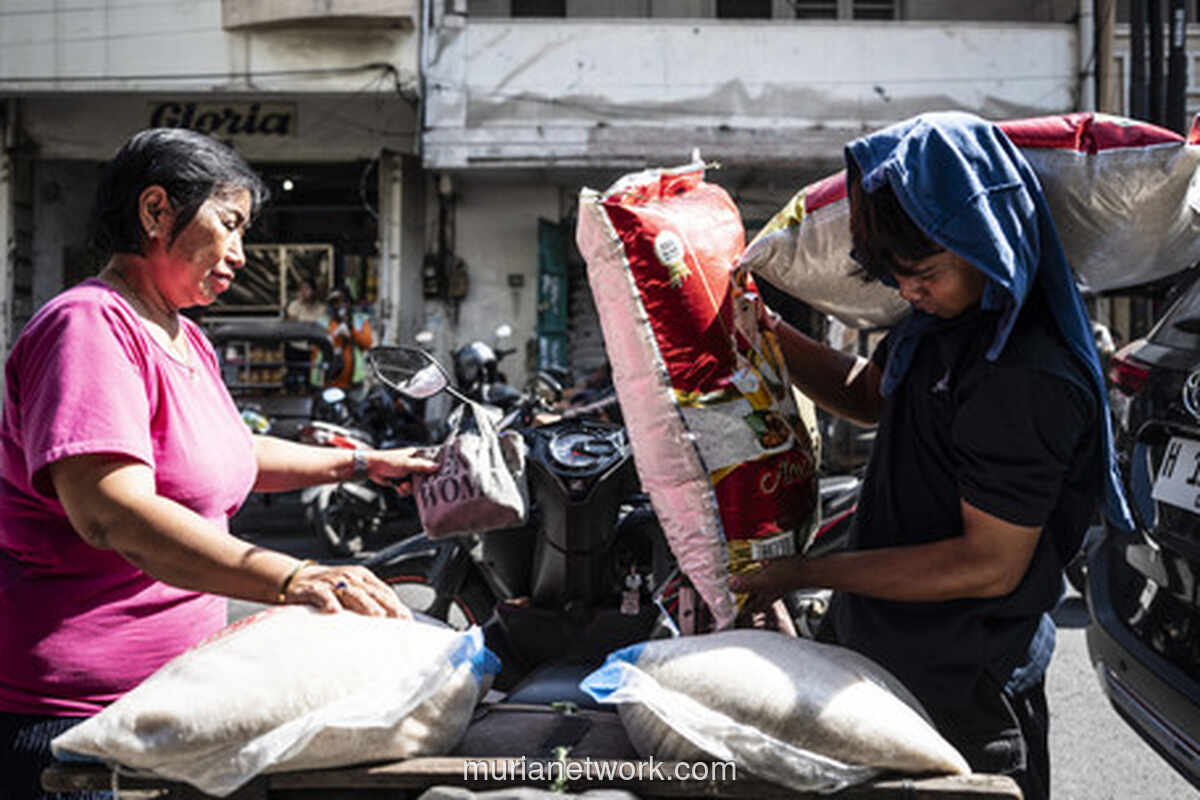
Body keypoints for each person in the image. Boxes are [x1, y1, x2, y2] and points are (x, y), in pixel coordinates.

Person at [0, 128, 437, 800]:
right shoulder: (89, 325)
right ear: (156, 212)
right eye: (228, 224)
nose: (239, 253)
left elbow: (230, 453)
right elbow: (113, 512)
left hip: (167, 701)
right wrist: (294, 577)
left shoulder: (182, 334)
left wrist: (359, 463)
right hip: (76, 720)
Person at [732, 111, 1133, 800]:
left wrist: (800, 572)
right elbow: (873, 396)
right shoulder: (947, 325)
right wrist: (769, 336)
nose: (908, 291)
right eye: (895, 276)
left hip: (961, 690)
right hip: (890, 658)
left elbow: (986, 563)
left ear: (980, 236)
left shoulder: (1025, 375)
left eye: (923, 273)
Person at [325, 285, 373, 390]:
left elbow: (367, 343)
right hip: (328, 382)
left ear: (349, 303)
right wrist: (334, 336)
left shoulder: (359, 320)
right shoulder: (324, 322)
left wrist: (351, 332)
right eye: (336, 302)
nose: (340, 306)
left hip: (354, 382)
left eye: (343, 301)